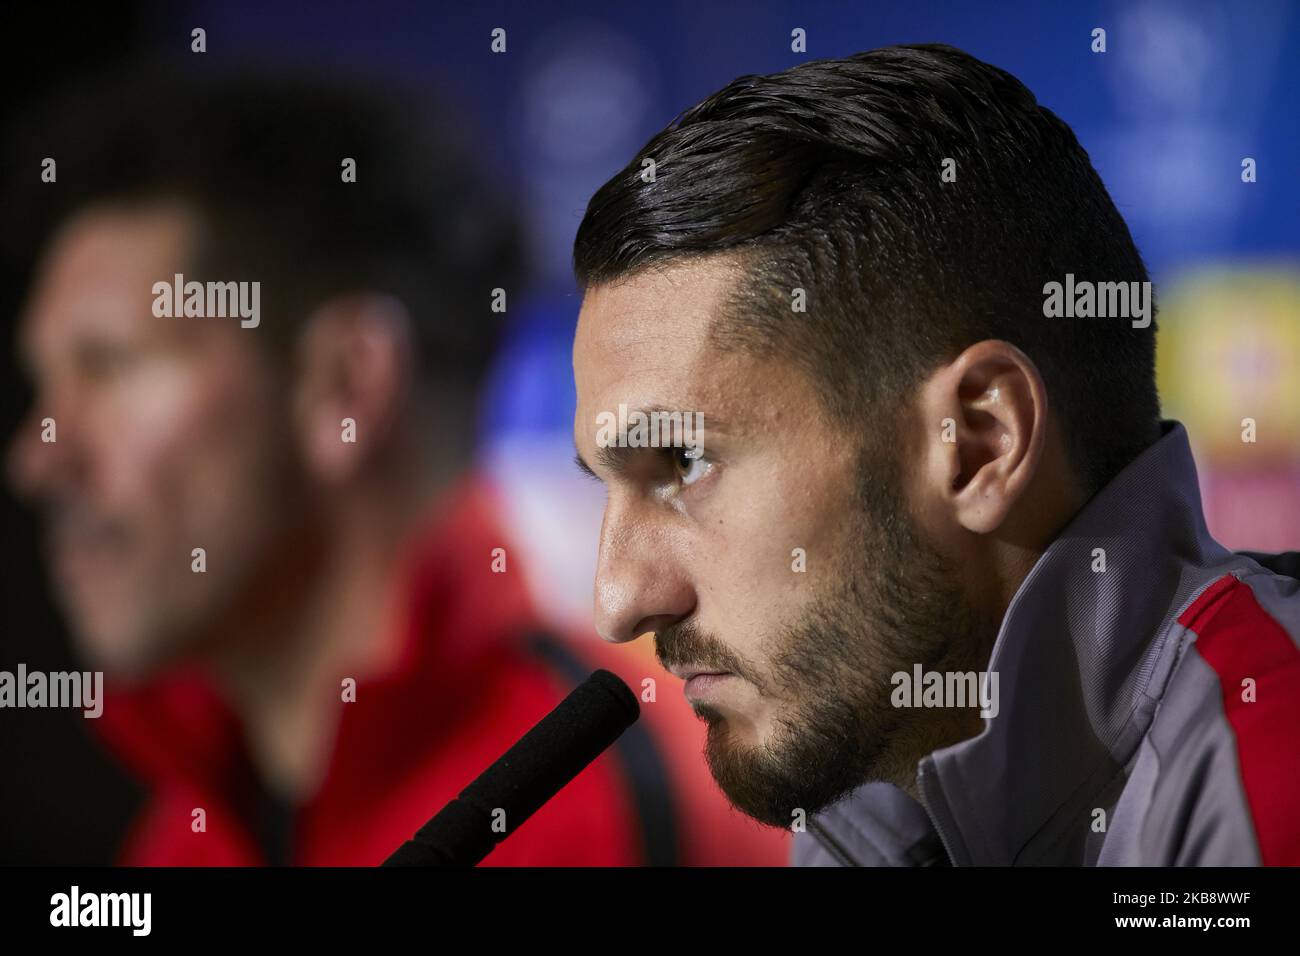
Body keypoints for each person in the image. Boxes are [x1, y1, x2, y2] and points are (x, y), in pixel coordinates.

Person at [5, 67, 785, 865]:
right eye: (44, 385)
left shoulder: (626, 808)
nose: (37, 458)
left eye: (108, 367)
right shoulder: (179, 841)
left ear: (345, 383)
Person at [569, 43, 1300, 865]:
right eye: (606, 484)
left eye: (686, 463)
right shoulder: (864, 789)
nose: (618, 602)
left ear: (980, 444)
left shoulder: (1268, 785)